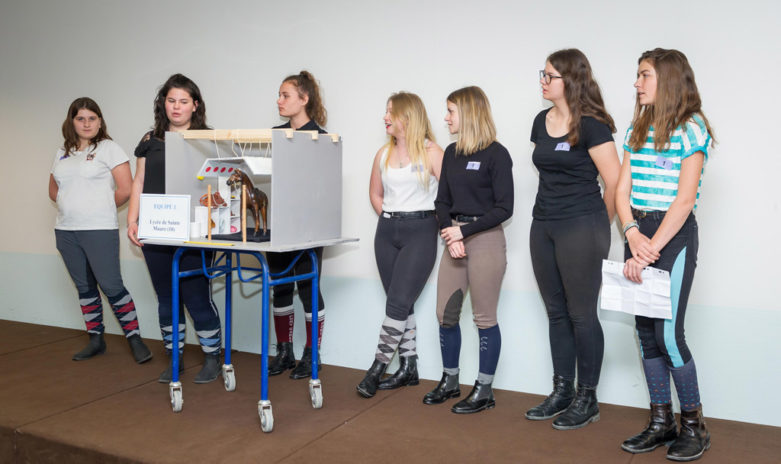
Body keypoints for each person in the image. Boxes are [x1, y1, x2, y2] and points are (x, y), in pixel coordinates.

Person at [616, 48, 714, 461]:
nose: (637, 83)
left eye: (644, 75)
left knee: (668, 335)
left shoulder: (692, 129)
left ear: (668, 80)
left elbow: (684, 200)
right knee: (644, 334)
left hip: (672, 239)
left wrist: (649, 250)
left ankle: (694, 425)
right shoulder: (637, 128)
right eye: (637, 76)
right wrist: (632, 234)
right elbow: (621, 191)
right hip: (638, 233)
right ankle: (661, 423)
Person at [525, 49, 620, 430]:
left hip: (582, 225)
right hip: (543, 224)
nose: (543, 81)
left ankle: (587, 397)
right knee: (556, 311)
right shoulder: (539, 121)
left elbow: (613, 181)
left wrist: (600, 222)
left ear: (571, 80)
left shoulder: (593, 125)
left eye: (550, 76)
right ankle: (562, 390)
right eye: (543, 75)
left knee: (582, 314)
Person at [127, 74, 223, 384]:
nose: (176, 107)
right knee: (166, 298)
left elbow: (220, 186)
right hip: (156, 232)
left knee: (196, 298)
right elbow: (138, 182)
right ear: (163, 104)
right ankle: (175, 358)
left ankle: (212, 357)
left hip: (195, 234)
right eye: (171, 101)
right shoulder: (150, 139)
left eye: (183, 101)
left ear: (195, 105)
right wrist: (132, 220)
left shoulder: (208, 138)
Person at [424, 86, 513, 414]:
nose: (445, 118)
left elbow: (506, 208)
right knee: (445, 314)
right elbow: (441, 200)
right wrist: (452, 234)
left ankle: (484, 389)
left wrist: (465, 231)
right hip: (454, 238)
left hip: (486, 237)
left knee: (484, 317)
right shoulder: (451, 152)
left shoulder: (497, 154)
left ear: (469, 113)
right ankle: (450, 380)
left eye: (451, 111)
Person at [49, 97, 152, 364]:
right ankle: (96, 339)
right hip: (66, 231)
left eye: (91, 118)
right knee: (84, 287)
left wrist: (101, 207)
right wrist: (69, 205)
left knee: (111, 285)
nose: (86, 123)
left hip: (99, 229)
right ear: (71, 121)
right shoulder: (62, 151)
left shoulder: (109, 148)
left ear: (100, 121)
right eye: (80, 118)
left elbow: (127, 189)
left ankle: (135, 339)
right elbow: (53, 190)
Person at [357, 92, 444, 398]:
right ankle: (409, 367)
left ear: (408, 117)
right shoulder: (382, 154)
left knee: (396, 304)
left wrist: (421, 222)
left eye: (391, 112)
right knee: (400, 302)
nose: (385, 117)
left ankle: (377, 367)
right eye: (386, 112)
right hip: (387, 231)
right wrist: (392, 218)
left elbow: (447, 198)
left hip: (420, 231)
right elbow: (375, 194)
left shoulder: (433, 152)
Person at [266, 70, 329, 380]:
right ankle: (284, 351)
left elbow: (324, 189)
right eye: (278, 95)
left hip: (309, 229)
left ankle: (311, 354)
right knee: (280, 289)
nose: (279, 101)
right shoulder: (274, 135)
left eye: (285, 95)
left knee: (308, 290)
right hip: (279, 226)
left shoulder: (322, 138)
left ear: (304, 99)